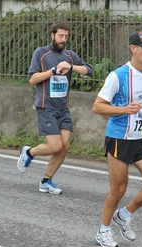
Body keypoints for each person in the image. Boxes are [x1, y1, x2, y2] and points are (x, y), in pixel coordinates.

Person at [92, 31, 142, 247]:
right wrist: (124, 109)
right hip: (119, 138)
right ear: (133, 49)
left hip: (141, 137)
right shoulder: (118, 76)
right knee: (119, 189)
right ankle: (103, 231)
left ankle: (124, 215)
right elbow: (97, 106)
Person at [17, 20, 93, 195]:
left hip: (63, 108)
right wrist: (52, 71)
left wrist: (71, 67)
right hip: (46, 107)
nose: (63, 39)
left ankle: (45, 181)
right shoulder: (41, 53)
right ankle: (29, 152)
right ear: (52, 35)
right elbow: (32, 79)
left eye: (66, 36)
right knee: (54, 146)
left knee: (64, 146)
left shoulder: (69, 55)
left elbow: (89, 70)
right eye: (60, 36)